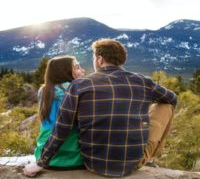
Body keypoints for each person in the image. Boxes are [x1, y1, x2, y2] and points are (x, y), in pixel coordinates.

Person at [24, 39, 177, 177]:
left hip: (93, 162)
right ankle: (152, 156)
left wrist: (41, 162)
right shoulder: (143, 81)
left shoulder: (79, 85)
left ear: (99, 59)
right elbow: (172, 98)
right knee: (166, 105)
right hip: (132, 163)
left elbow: (62, 127)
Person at [27, 56, 85, 175]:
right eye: (78, 67)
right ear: (65, 71)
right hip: (75, 158)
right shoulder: (76, 90)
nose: (83, 71)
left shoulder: (44, 90)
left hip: (45, 157)